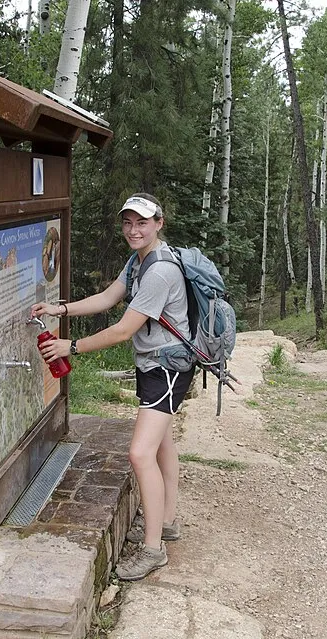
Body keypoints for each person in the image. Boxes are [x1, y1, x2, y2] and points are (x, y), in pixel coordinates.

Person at [31, 193, 194, 581]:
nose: (133, 230)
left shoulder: (159, 271)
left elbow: (124, 329)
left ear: (159, 223)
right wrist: (61, 309)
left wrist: (70, 346)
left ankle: (154, 550)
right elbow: (108, 298)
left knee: (140, 454)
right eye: (127, 222)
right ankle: (167, 522)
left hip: (166, 369)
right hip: (156, 364)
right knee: (161, 445)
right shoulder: (138, 261)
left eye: (142, 222)